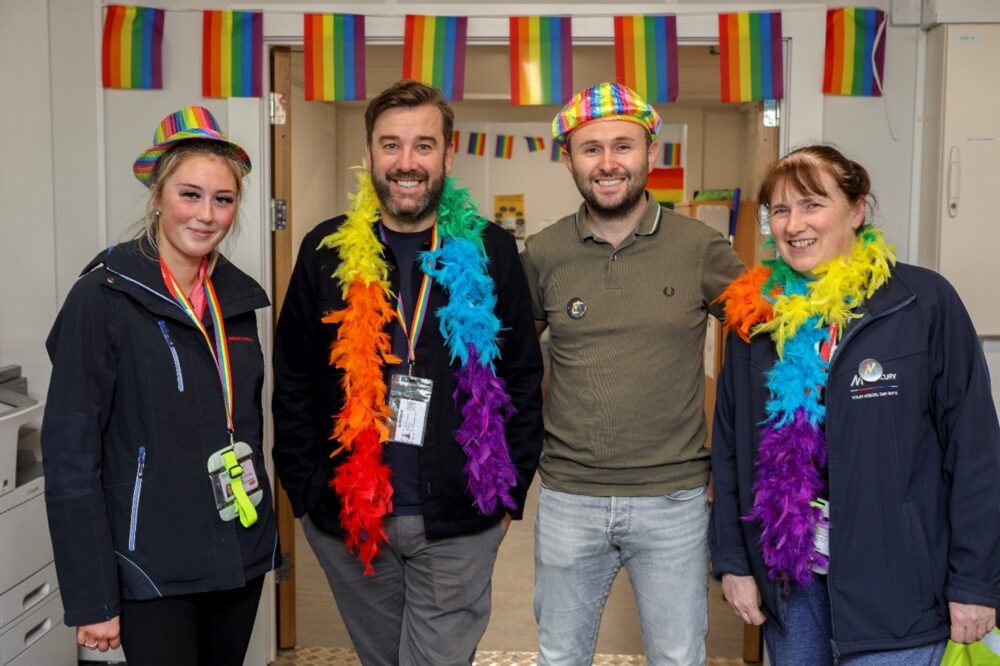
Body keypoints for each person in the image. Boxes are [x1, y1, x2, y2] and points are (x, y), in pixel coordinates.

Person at [272, 80, 544, 665]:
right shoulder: (325, 250)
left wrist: (506, 496)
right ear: (368, 155)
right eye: (390, 144)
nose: (406, 162)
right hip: (351, 521)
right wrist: (307, 493)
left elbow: (522, 374)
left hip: (460, 518)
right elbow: (292, 378)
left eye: (423, 145)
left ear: (448, 155)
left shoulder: (492, 250)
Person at [709, 145, 1000, 664]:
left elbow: (976, 452)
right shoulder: (754, 320)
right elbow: (730, 452)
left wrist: (976, 581)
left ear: (857, 209)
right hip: (790, 585)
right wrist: (733, 561)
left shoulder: (922, 302)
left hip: (898, 592)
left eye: (812, 204)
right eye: (779, 210)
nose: (794, 224)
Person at [41, 106, 278, 665]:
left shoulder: (238, 301)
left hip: (236, 558)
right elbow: (71, 456)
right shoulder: (102, 298)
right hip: (152, 568)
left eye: (223, 199)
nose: (206, 215)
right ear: (157, 195)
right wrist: (93, 596)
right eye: (189, 195)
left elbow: (245, 421)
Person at [521, 81, 745, 665]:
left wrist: (736, 460)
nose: (608, 163)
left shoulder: (702, 247)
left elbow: (764, 347)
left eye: (624, 146)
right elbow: (504, 363)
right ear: (568, 159)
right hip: (569, 497)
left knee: (678, 655)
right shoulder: (543, 253)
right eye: (591, 149)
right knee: (559, 655)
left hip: (673, 500)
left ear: (651, 153)